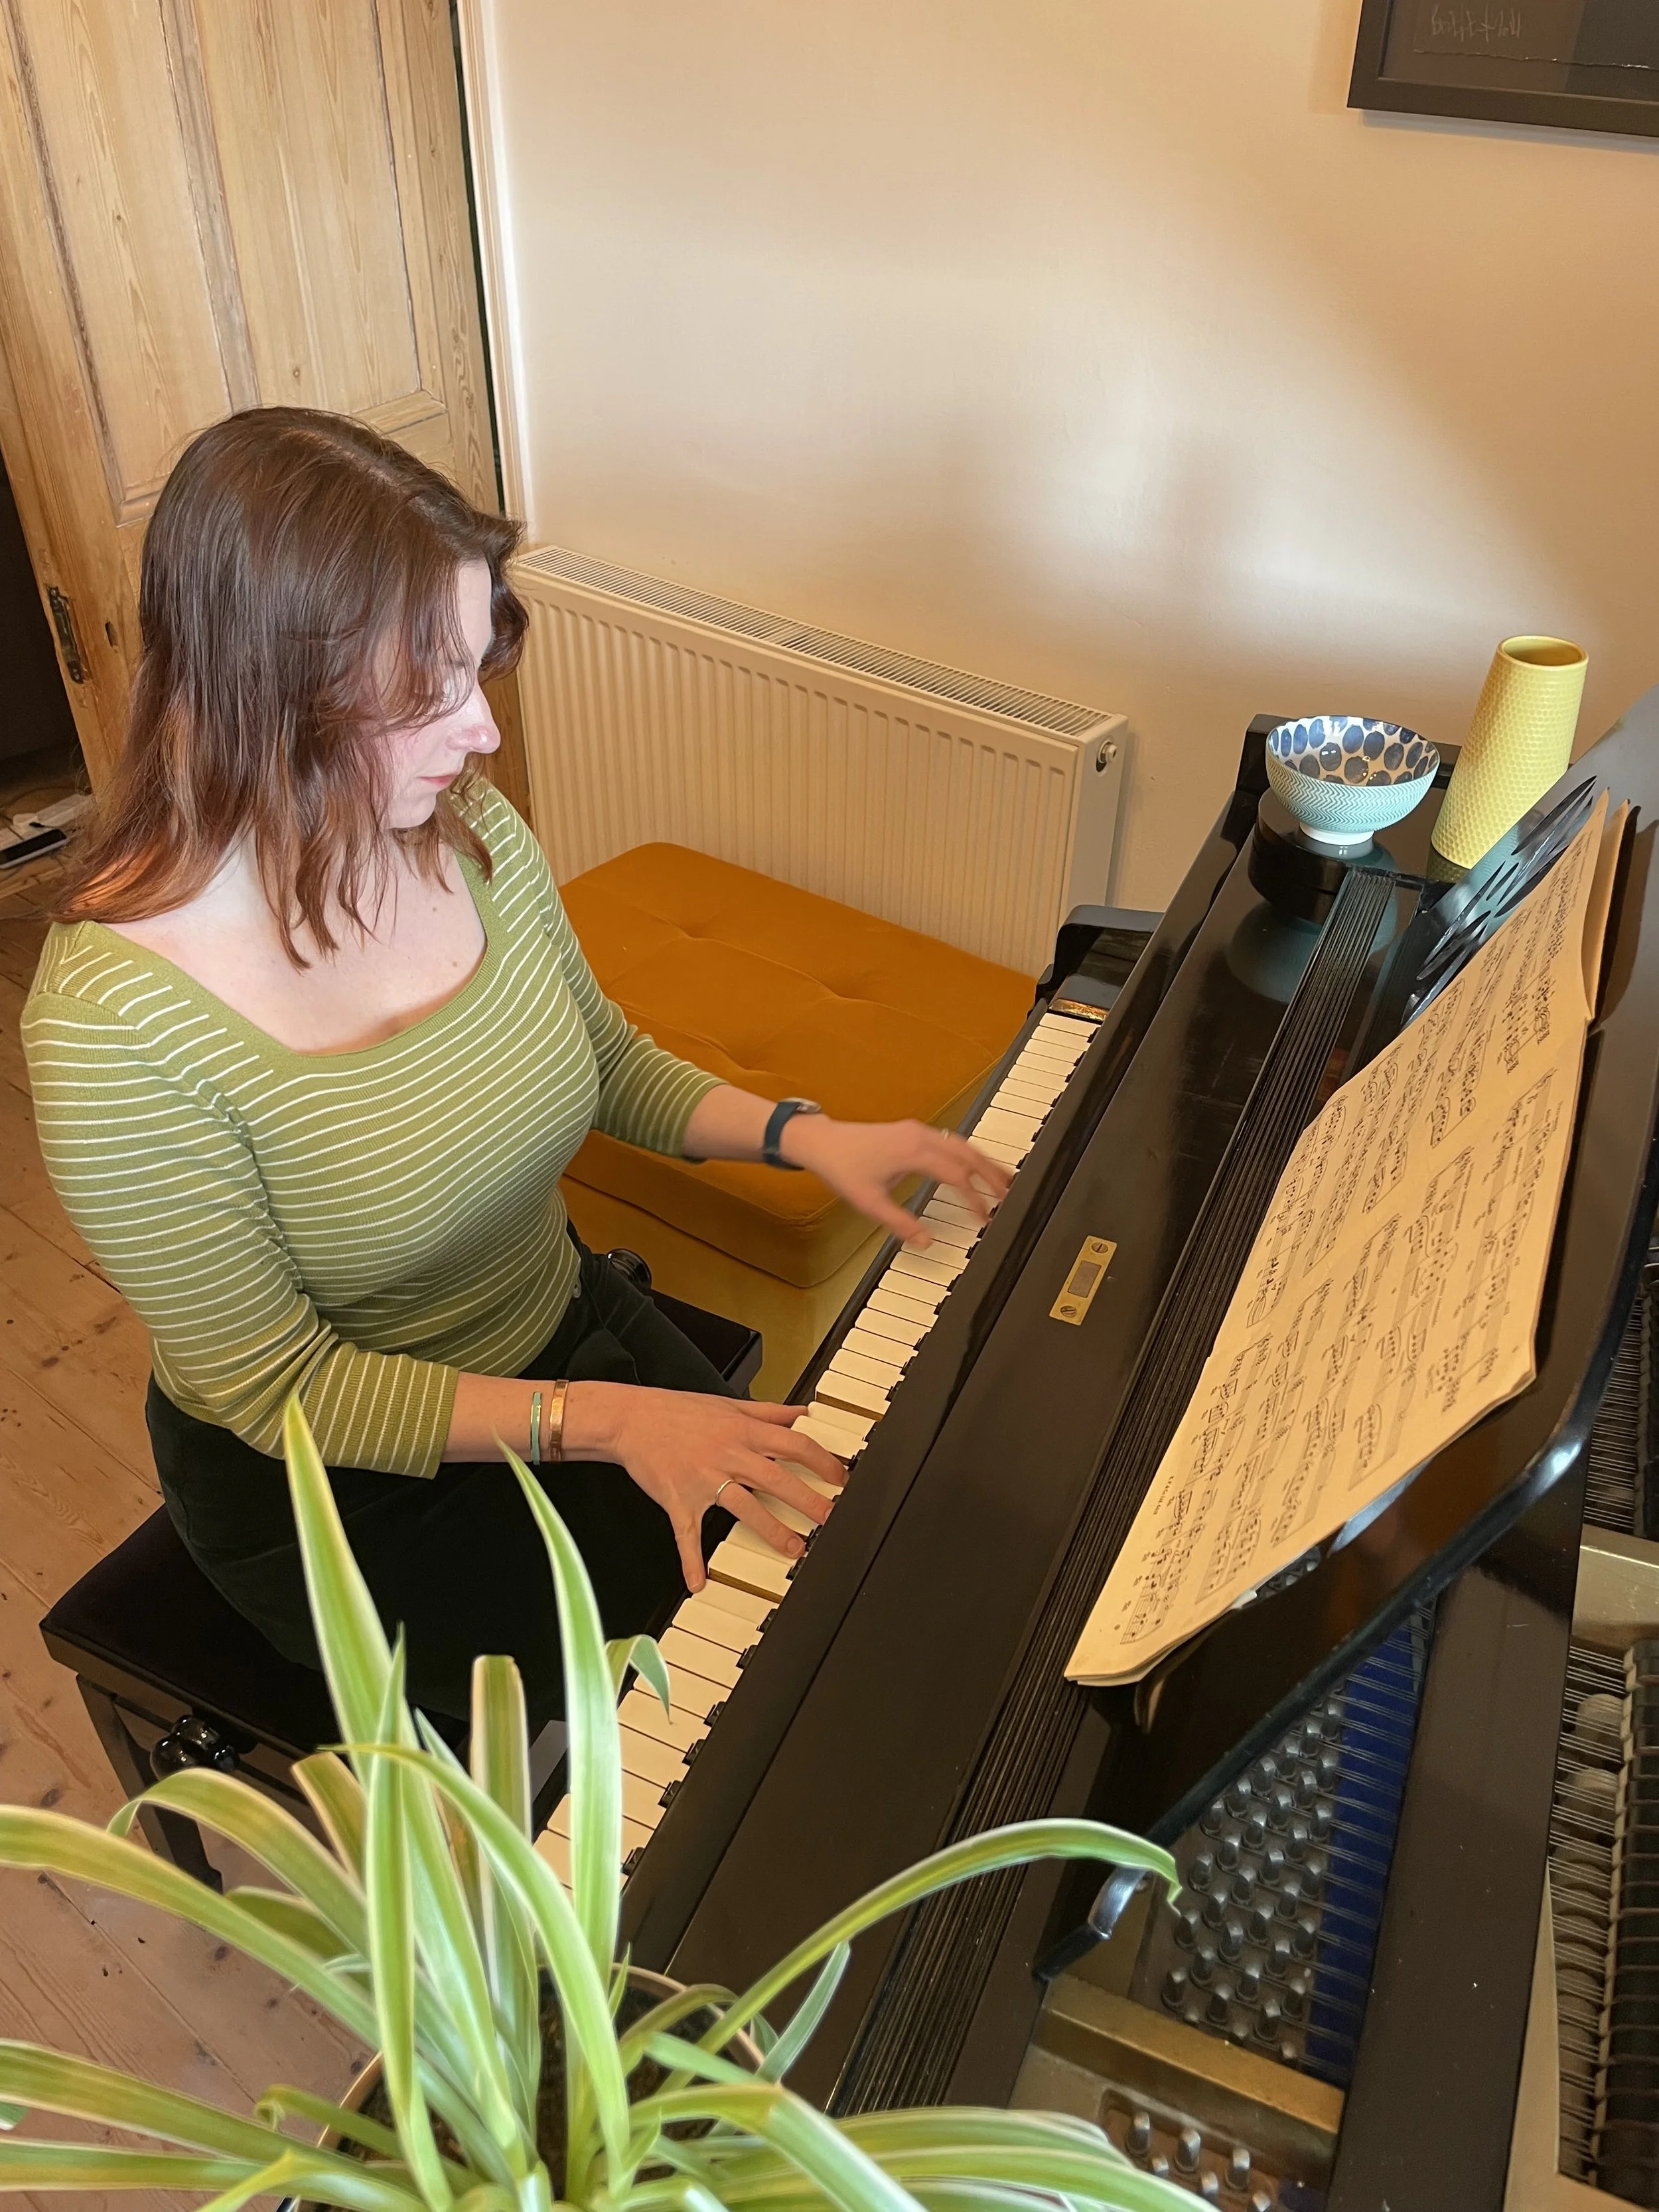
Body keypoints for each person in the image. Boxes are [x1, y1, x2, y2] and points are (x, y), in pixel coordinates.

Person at [23, 407, 1008, 1727]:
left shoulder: (457, 827)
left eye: (479, 668)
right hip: (343, 1490)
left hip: (557, 1326)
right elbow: (285, 1390)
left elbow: (593, 1058)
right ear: (270, 692)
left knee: (819, 1553)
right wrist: (603, 1421)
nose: (484, 731)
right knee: (695, 1698)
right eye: (431, 689)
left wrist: (807, 1137)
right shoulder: (115, 1029)